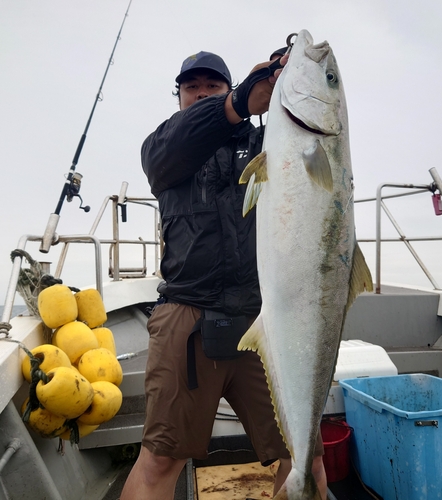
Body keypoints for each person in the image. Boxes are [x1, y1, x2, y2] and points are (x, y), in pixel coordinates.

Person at [120, 49, 327, 500]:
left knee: (305, 454)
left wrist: (289, 81)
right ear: (178, 97)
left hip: (265, 320)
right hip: (188, 319)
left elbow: (308, 152)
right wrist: (233, 102)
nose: (200, 93)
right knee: (159, 460)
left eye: (212, 86)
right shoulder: (164, 148)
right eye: (191, 87)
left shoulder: (265, 144)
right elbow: (180, 143)